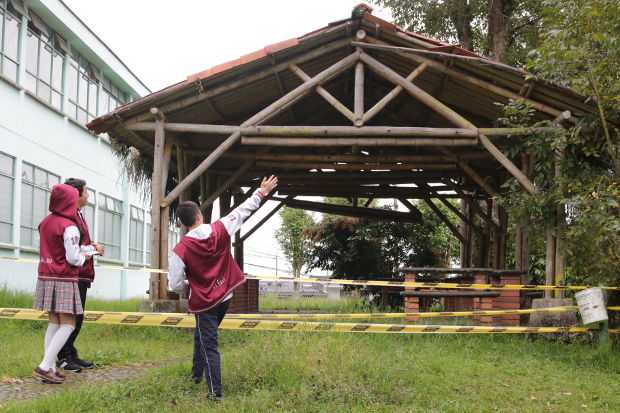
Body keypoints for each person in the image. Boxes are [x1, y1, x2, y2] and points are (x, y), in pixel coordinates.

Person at [168, 175, 278, 401]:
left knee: (209, 344)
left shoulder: (180, 250)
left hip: (205, 302)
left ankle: (215, 393)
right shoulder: (221, 227)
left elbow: (175, 284)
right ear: (199, 214)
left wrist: (191, 284)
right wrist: (262, 192)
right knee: (202, 336)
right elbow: (243, 210)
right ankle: (196, 374)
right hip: (226, 295)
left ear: (183, 223)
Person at [33, 184, 98, 384]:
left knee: (53, 322)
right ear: (70, 200)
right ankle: (45, 366)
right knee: (68, 324)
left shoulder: (45, 222)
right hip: (63, 277)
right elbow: (73, 258)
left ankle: (51, 367)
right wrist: (87, 255)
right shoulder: (69, 226)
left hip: (45, 275)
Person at [57, 178, 104, 372]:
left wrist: (92, 248)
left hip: (83, 273)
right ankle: (64, 356)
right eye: (86, 191)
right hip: (76, 274)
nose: (88, 195)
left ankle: (70, 352)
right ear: (75, 194)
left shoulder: (79, 214)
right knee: (72, 318)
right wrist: (94, 248)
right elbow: (74, 249)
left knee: (78, 317)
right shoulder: (70, 218)